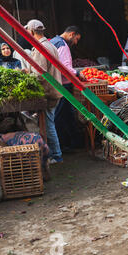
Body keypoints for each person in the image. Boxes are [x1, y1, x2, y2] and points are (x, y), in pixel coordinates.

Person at [24, 19, 63, 164]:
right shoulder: (49, 45)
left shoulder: (41, 48)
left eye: (27, 31)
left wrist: (27, 77)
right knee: (49, 123)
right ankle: (54, 153)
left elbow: (40, 74)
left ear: (32, 32)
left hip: (49, 92)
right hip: (54, 90)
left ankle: (56, 155)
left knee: (48, 125)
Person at [50, 26, 84, 152]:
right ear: (71, 34)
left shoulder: (53, 41)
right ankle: (61, 146)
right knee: (60, 115)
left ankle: (72, 143)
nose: (75, 43)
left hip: (57, 83)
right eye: (76, 39)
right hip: (63, 85)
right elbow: (65, 67)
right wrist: (78, 74)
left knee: (66, 114)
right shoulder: (62, 45)